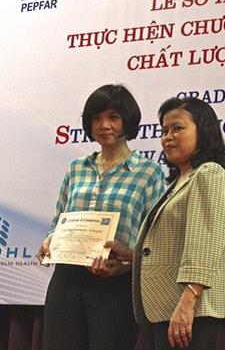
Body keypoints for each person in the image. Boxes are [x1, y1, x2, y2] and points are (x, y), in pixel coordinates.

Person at [37, 84, 167, 350]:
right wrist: (50, 240)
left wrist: (127, 265)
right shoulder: (76, 168)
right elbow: (58, 219)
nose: (104, 125)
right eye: (96, 118)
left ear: (127, 121)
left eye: (113, 117)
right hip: (66, 280)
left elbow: (155, 237)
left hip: (115, 283)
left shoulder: (149, 172)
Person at [103, 96, 225, 350]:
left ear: (204, 131)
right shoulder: (179, 182)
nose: (168, 137)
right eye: (164, 131)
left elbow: (206, 244)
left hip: (190, 308)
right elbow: (170, 246)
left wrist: (188, 300)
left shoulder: (209, 174)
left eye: (178, 128)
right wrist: (132, 254)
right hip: (167, 307)